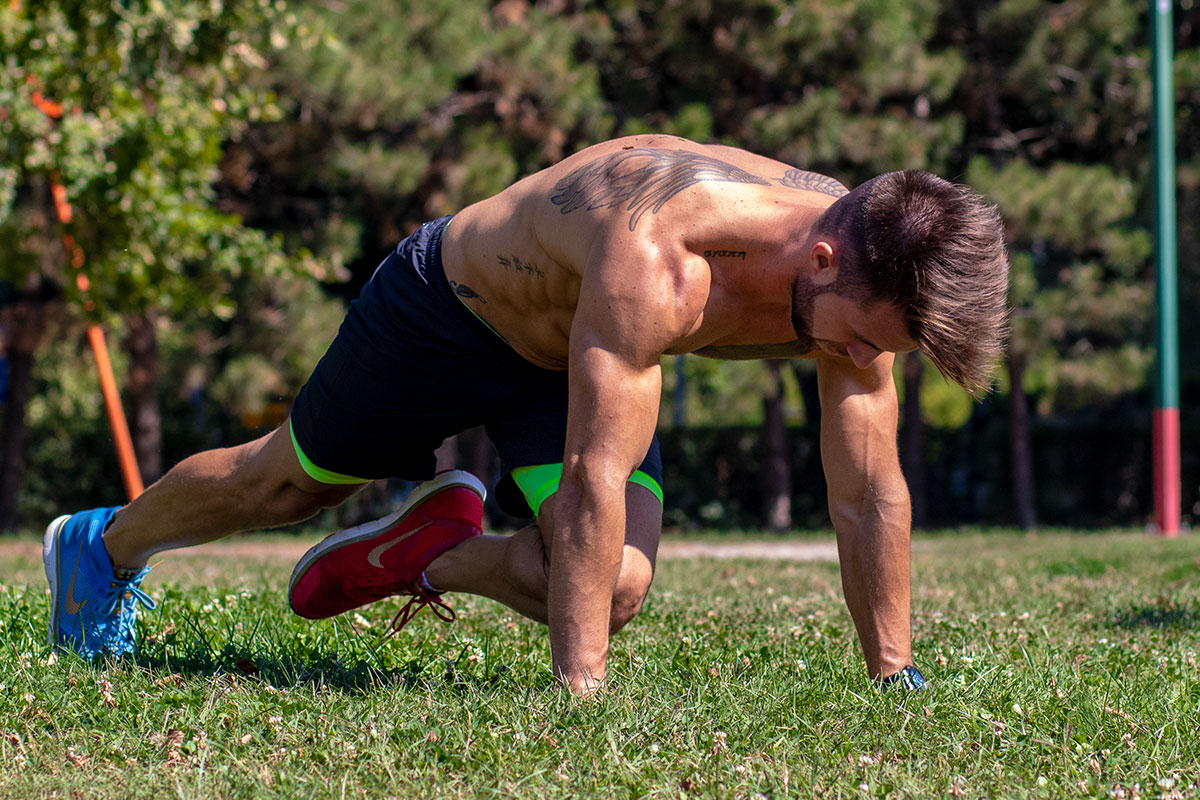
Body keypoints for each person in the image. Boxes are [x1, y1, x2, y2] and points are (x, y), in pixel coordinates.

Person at [44, 135, 1009, 695]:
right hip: (448, 312)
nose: (859, 360)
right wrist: (577, 698)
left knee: (617, 585)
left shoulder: (859, 288)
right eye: (860, 339)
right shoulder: (664, 255)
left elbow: (869, 493)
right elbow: (594, 474)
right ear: (823, 260)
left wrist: (895, 678)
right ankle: (102, 546)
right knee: (283, 481)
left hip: (565, 365)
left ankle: (427, 552)